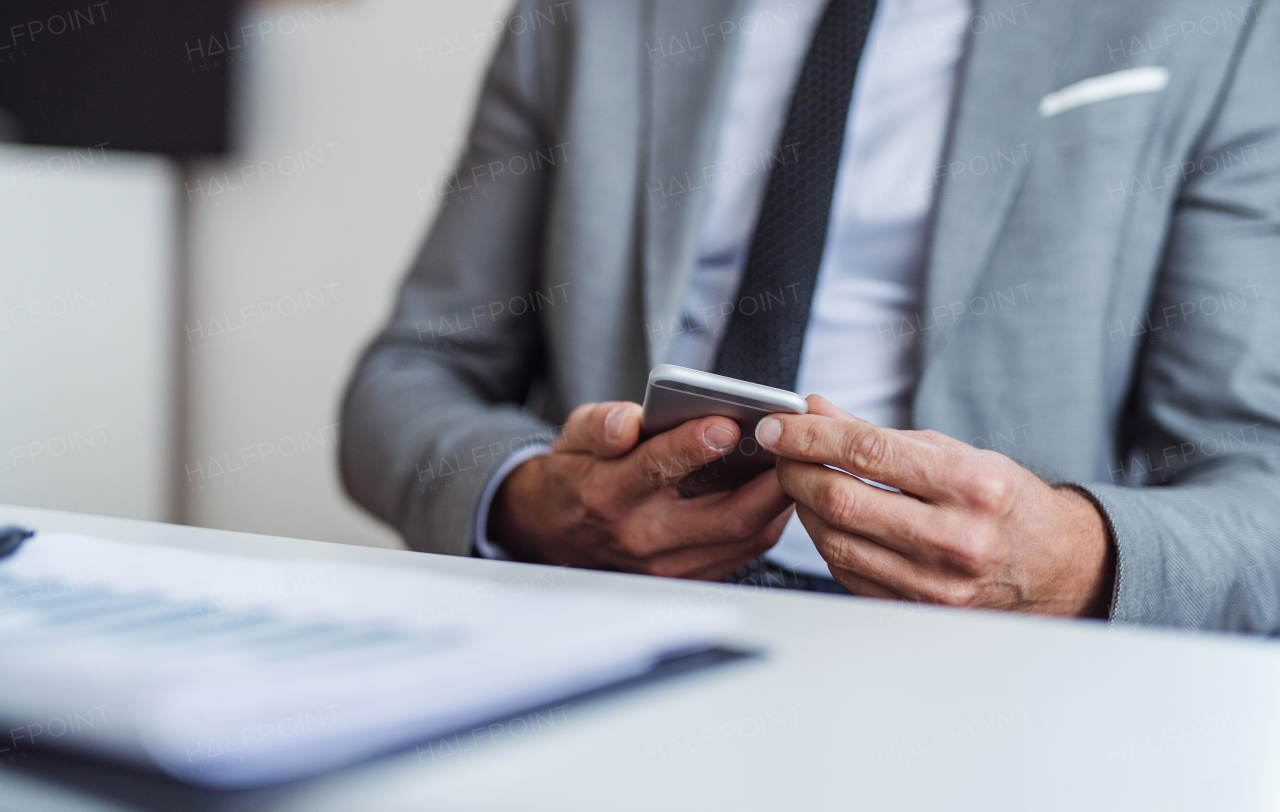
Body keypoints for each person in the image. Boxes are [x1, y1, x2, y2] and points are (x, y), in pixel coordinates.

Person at [341, 0, 1280, 633]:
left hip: (990, 675)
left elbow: (1258, 474)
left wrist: (1075, 558)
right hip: (608, 621)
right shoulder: (590, 18)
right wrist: (532, 500)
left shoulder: (1220, 22)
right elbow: (405, 379)